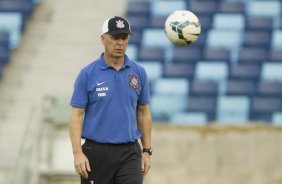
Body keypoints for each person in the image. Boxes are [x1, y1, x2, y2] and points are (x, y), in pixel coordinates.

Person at [69, 16, 153, 184]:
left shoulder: (139, 73)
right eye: (115, 38)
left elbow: (143, 112)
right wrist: (78, 153)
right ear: (103, 39)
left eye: (124, 38)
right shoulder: (87, 74)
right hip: (96, 152)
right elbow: (76, 116)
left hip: (130, 152)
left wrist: (146, 151)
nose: (120, 43)